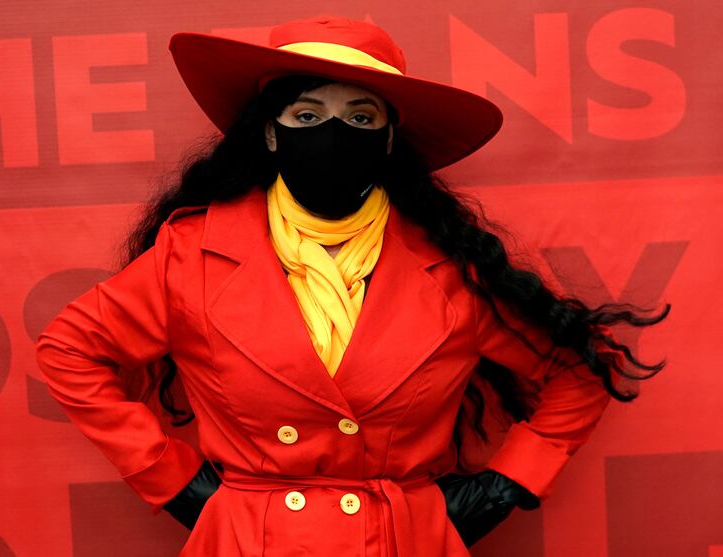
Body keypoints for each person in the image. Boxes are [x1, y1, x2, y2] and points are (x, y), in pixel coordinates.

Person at [34, 14, 669, 556]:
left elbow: (579, 373)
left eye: (359, 116)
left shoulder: (456, 264)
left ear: (390, 137)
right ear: (270, 131)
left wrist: (506, 487)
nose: (333, 134)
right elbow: (69, 350)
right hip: (248, 538)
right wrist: (174, 481)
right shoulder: (191, 253)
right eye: (307, 114)